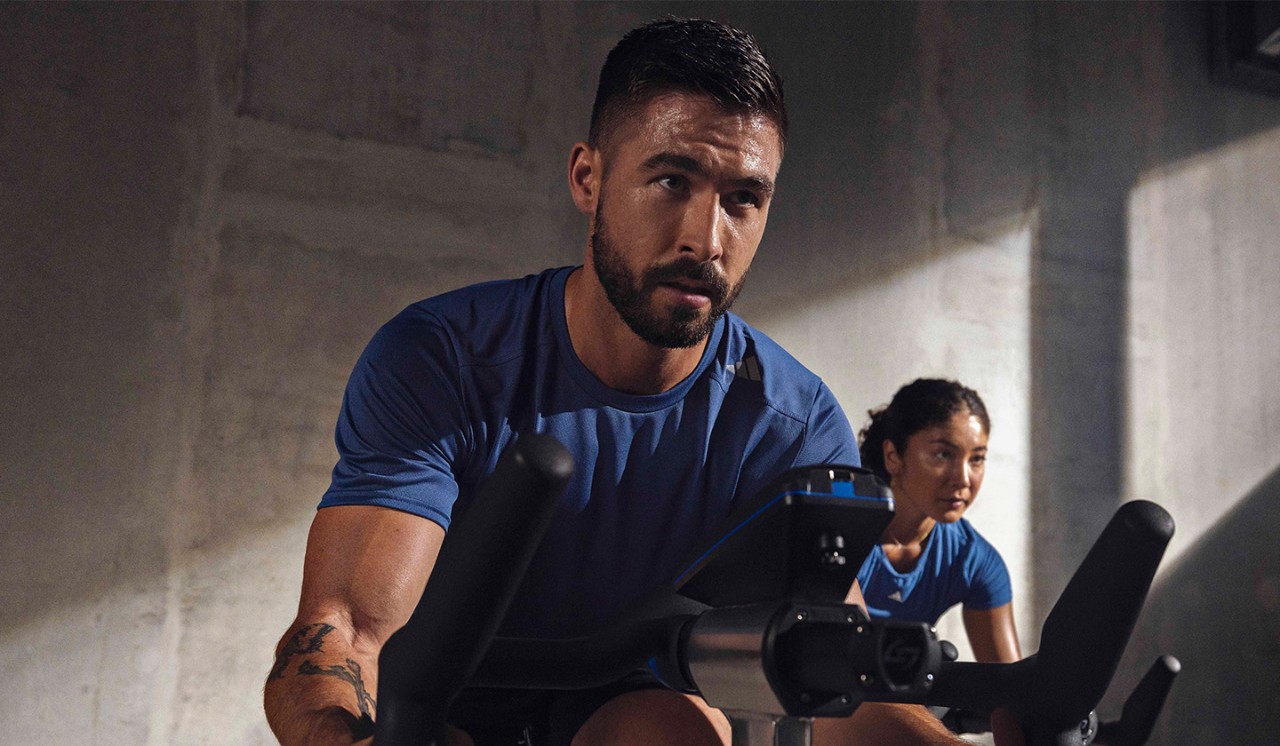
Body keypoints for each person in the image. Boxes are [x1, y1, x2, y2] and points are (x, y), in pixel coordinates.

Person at [263, 19, 1023, 746]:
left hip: (631, 710)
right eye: (670, 180)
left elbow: (828, 691)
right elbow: (348, 631)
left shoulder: (790, 423)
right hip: (438, 704)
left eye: (743, 200)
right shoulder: (443, 359)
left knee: (669, 732)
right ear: (588, 178)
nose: (707, 238)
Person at [854, 378, 1021, 663]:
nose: (964, 478)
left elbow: (1013, 692)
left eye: (976, 459)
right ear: (893, 456)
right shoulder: (844, 537)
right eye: (944, 454)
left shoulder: (973, 559)